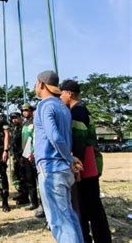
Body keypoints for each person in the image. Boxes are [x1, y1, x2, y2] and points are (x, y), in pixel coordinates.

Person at [34, 70, 84, 242]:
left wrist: (70, 159)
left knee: (59, 222)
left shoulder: (44, 105)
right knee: (69, 216)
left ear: (41, 84)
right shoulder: (63, 107)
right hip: (64, 169)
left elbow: (54, 136)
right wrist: (70, 159)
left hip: (51, 168)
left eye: (35, 83)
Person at [60, 79, 111, 243]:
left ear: (69, 93)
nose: (60, 97)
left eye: (61, 94)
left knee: (90, 204)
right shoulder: (79, 109)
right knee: (89, 203)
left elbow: (79, 139)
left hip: (85, 163)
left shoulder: (77, 111)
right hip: (87, 161)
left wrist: (77, 166)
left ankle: (99, 238)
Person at [20, 103, 40, 211]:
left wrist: (33, 152)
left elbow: (35, 139)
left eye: (26, 110)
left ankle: (42, 203)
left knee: (38, 180)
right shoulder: (24, 124)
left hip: (34, 155)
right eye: (23, 111)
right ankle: (34, 202)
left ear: (31, 111)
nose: (24, 112)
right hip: (26, 155)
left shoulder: (35, 122)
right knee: (29, 179)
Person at [9, 111, 29, 205]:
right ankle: (21, 193)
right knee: (17, 175)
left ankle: (25, 196)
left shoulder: (23, 127)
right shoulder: (13, 128)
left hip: (22, 155)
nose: (14, 120)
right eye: (12, 118)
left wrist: (22, 156)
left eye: (16, 117)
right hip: (15, 155)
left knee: (23, 176)